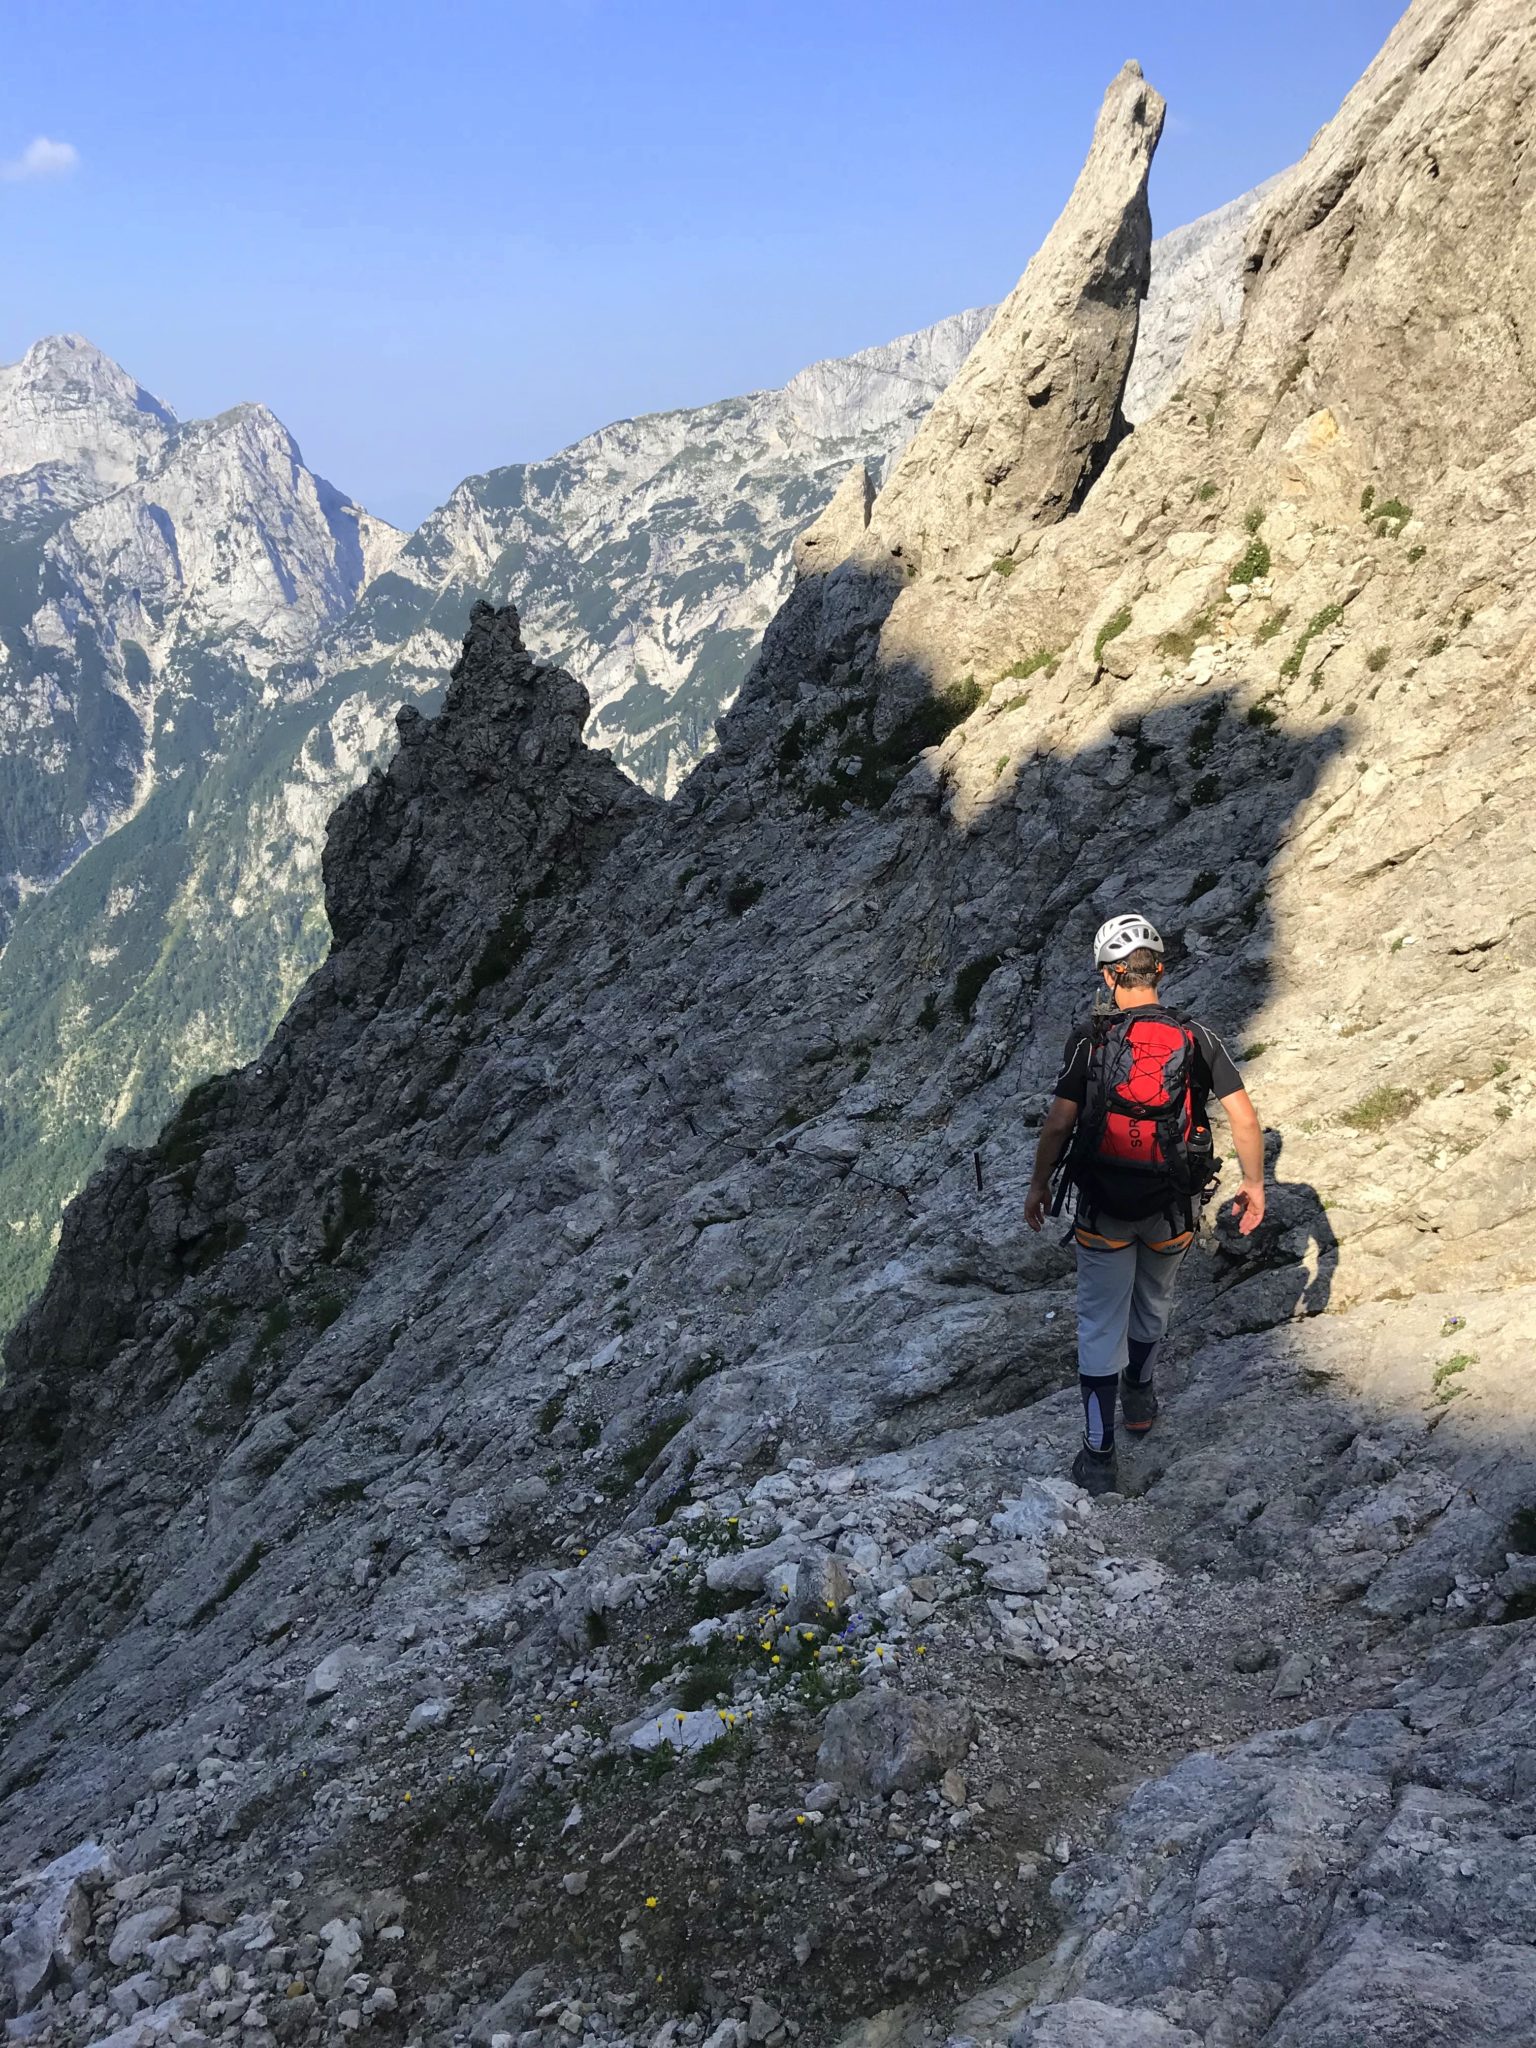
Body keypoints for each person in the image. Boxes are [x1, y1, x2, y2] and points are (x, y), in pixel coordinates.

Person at [1023, 913, 1267, 1495]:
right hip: (1171, 1205)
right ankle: (1140, 1393)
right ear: (1158, 969)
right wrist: (1255, 1185)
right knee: (1153, 1300)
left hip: (1103, 1205)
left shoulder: (1091, 1037)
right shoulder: (1196, 1036)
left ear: (1110, 976)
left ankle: (1099, 1454)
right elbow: (1244, 1117)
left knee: (1097, 1321)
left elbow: (1060, 1122)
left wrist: (1038, 1186)